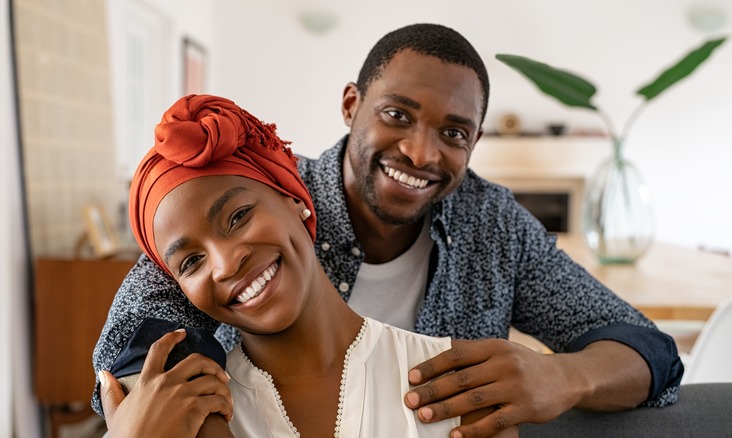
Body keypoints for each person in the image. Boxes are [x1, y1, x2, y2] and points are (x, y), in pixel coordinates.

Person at [93, 23, 683, 437]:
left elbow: (650, 352)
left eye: (454, 133)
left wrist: (566, 375)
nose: (422, 152)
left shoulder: (494, 226)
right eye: (397, 115)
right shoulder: (252, 203)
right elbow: (129, 352)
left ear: (474, 143)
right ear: (352, 105)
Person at [97, 94, 517, 437]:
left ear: (295, 199)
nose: (226, 264)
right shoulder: (176, 418)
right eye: (191, 261)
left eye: (239, 216)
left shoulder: (458, 390)